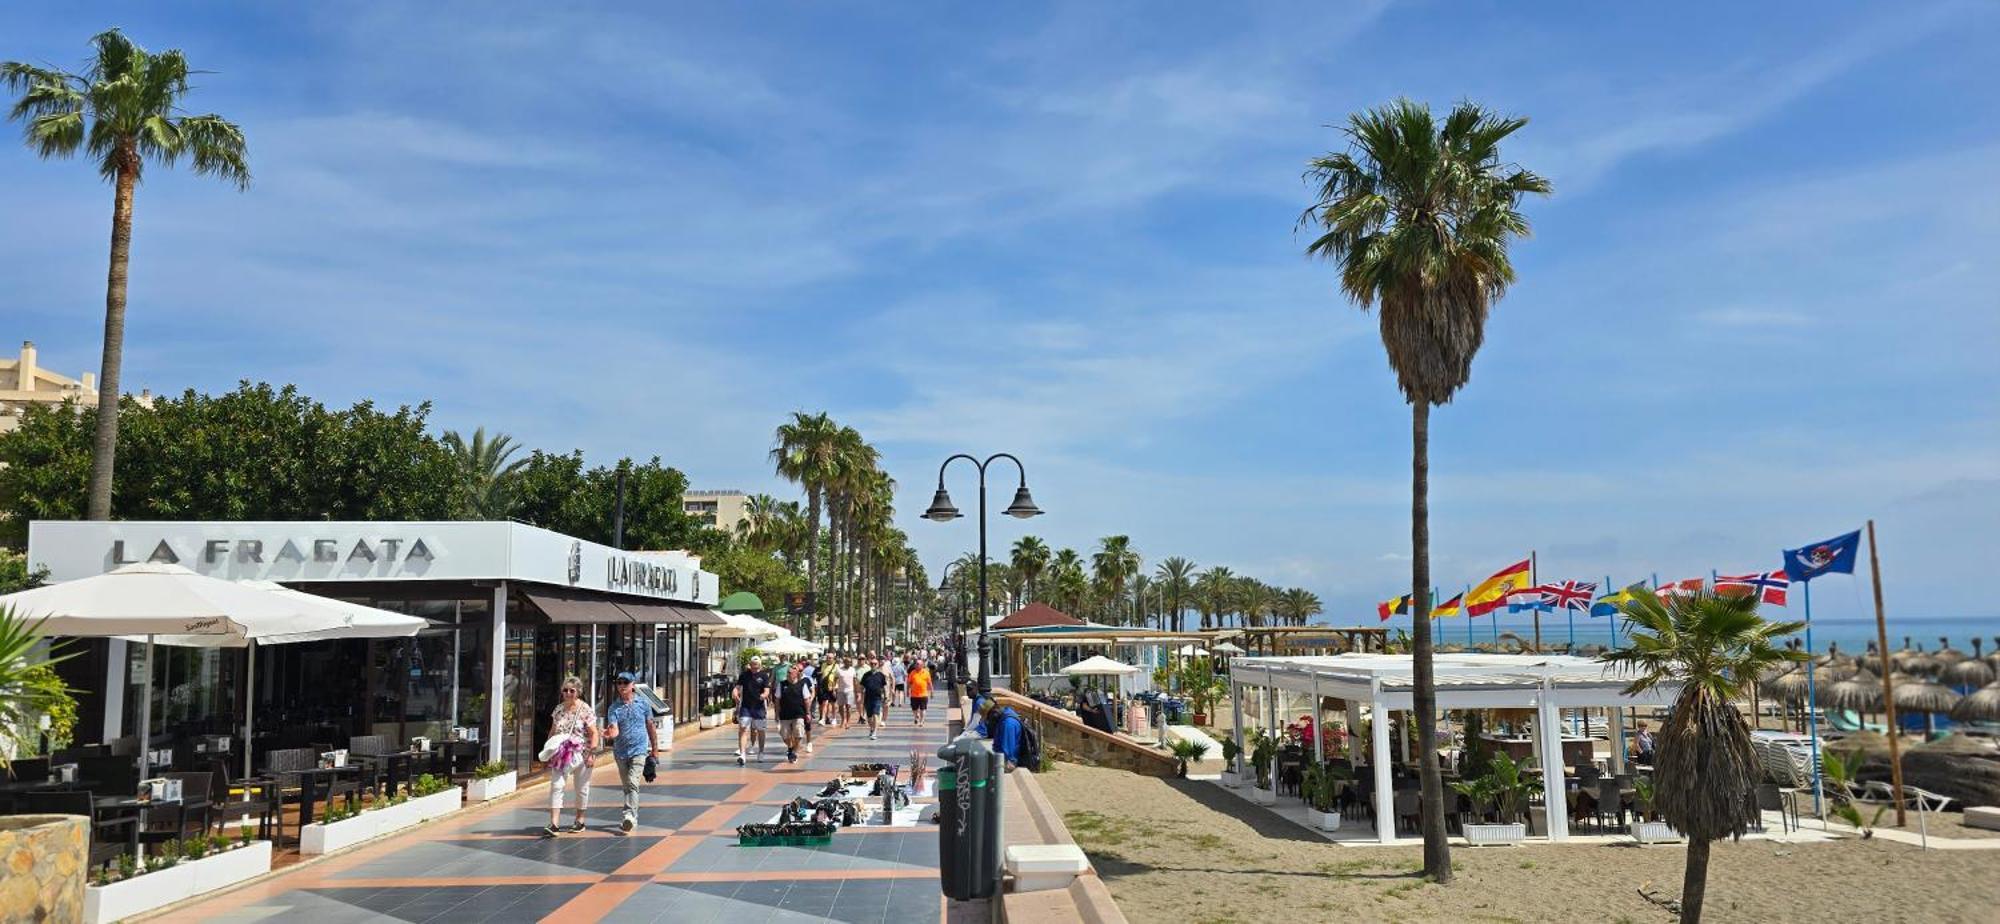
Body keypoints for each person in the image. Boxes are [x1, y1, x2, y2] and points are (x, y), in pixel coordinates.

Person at [603, 671, 658, 834]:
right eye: (619, 683)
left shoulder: (643, 704)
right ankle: (633, 815)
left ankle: (629, 815)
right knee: (627, 785)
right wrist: (609, 734)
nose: (621, 686)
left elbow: (650, 726)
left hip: (639, 750)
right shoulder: (614, 708)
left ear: (632, 685)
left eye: (625, 683)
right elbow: (614, 729)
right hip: (621, 752)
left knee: (633, 781)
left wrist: (655, 749)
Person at [544, 676, 599, 836]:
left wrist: (592, 753)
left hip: (581, 754)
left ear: (578, 692)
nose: (568, 693)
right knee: (556, 786)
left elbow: (594, 733)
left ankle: (580, 820)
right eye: (565, 690)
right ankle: (554, 824)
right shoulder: (559, 709)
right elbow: (553, 731)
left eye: (572, 691)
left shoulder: (585, 710)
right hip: (561, 754)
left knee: (581, 788)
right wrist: (548, 750)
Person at [734, 656, 773, 766]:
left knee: (760, 730)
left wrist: (763, 695)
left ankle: (761, 752)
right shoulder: (744, 675)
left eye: (756, 665)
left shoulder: (764, 676)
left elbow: (767, 690)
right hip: (746, 706)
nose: (754, 667)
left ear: (760, 665)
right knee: (743, 728)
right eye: (752, 665)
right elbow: (737, 687)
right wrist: (735, 692)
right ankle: (742, 754)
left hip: (759, 707)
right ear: (750, 665)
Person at [777, 661, 814, 763]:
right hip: (785, 715)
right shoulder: (782, 684)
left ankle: (793, 753)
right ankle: (790, 747)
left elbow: (807, 699)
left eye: (791, 673)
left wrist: (807, 713)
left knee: (798, 734)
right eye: (788, 673)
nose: (789, 674)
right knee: (784, 735)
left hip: (799, 714)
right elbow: (777, 700)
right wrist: (776, 714)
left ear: (796, 674)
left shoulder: (802, 684)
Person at [982, 701, 1024, 770]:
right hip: (1002, 756)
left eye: (988, 719)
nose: (989, 722)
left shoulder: (1007, 724)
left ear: (994, 714)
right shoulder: (1004, 714)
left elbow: (1006, 753)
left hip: (1008, 763)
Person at [860, 657, 890, 740]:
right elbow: (862, 686)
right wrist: (860, 695)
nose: (873, 665)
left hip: (877, 698)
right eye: (872, 664)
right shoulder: (866, 675)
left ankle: (875, 732)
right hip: (867, 698)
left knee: (875, 714)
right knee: (869, 717)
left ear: (877, 665)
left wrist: (886, 695)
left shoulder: (881, 675)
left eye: (875, 664)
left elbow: (884, 687)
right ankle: (871, 728)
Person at [907, 658, 934, 727]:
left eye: (918, 664)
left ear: (922, 665)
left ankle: (922, 721)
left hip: (923, 694)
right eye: (916, 664)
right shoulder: (912, 673)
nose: (916, 665)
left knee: (923, 709)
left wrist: (932, 692)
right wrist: (907, 691)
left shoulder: (926, 673)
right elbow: (909, 683)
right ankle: (916, 716)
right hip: (914, 694)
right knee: (914, 709)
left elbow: (930, 683)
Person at [835, 657, 859, 728]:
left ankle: (848, 722)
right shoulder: (839, 670)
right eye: (847, 662)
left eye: (849, 662)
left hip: (850, 690)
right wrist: (834, 688)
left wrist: (856, 691)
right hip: (840, 690)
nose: (848, 663)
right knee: (840, 707)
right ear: (844, 662)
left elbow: (855, 681)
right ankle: (843, 720)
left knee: (848, 706)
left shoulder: (852, 670)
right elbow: (835, 679)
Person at [815, 657, 838, 727]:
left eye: (830, 658)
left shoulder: (836, 666)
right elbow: (823, 675)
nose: (829, 659)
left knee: (833, 704)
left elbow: (837, 678)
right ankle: (823, 718)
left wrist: (834, 688)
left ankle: (834, 718)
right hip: (825, 687)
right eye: (828, 658)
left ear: (833, 659)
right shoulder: (823, 665)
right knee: (825, 703)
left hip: (833, 687)